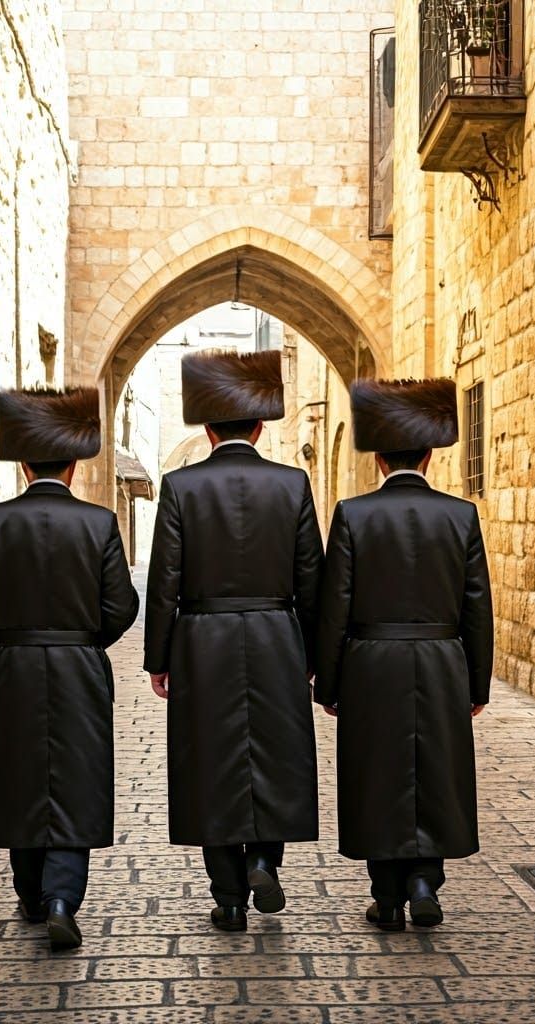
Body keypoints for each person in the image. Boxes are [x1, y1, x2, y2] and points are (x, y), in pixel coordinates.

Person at [144, 349, 323, 932]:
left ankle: (227, 897)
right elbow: (312, 581)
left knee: (211, 761)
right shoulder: (293, 484)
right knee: (274, 754)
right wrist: (316, 658)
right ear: (262, 424)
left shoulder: (180, 487)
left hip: (202, 641)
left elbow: (164, 577)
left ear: (206, 426)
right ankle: (266, 859)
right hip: (277, 637)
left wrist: (159, 657)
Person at [0, 386, 138, 951]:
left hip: (12, 667)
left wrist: (9, 644)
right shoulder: (101, 523)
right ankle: (64, 898)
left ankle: (32, 892)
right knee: (75, 777)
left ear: (25, 462)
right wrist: (84, 642)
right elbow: (122, 606)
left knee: (20, 775)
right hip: (80, 666)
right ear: (75, 462)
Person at [315, 377, 493, 931]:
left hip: (371, 661)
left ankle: (387, 893)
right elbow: (477, 607)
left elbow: (334, 605)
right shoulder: (461, 516)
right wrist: (477, 684)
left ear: (379, 459)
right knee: (434, 770)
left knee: (378, 773)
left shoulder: (352, 514)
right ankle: (424, 881)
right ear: (430, 455)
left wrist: (329, 682)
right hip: (442, 660)